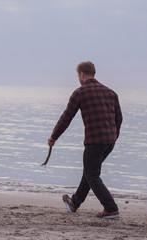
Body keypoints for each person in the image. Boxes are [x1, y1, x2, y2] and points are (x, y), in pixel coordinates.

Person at [48, 61, 122, 219]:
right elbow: (119, 118)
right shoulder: (111, 92)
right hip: (110, 141)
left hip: (95, 141)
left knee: (92, 175)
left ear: (82, 74)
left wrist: (54, 137)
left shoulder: (80, 93)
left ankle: (110, 208)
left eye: (78, 75)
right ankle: (74, 203)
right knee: (89, 172)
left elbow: (66, 118)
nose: (78, 78)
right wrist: (114, 136)